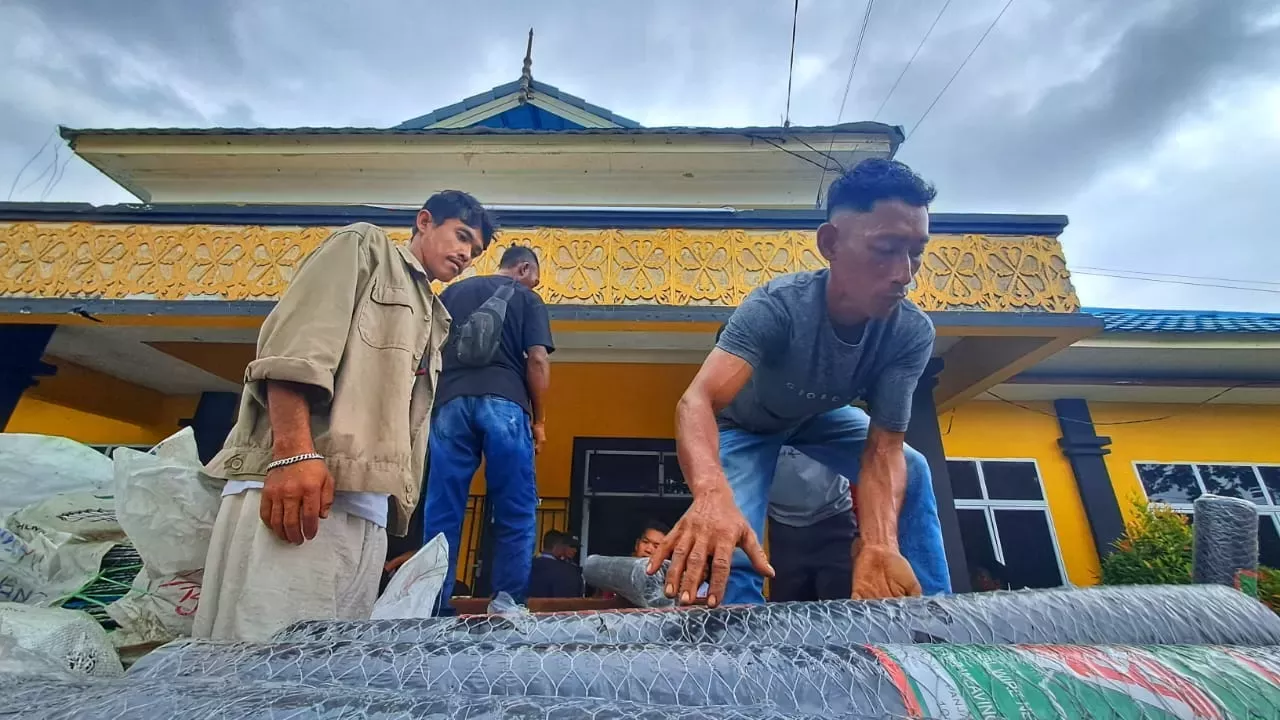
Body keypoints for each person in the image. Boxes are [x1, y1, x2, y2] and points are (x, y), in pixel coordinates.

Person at [649, 158, 950, 607]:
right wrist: (712, 495)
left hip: (818, 417)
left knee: (915, 467)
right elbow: (698, 400)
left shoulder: (910, 332)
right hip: (745, 425)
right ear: (830, 243)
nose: (904, 273)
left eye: (916, 252)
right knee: (727, 537)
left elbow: (883, 447)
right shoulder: (778, 307)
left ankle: (936, 622)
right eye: (886, 248)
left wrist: (878, 542)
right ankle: (731, 641)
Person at [195, 191, 496, 641]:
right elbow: (297, 348)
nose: (465, 256)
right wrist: (293, 453)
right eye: (461, 236)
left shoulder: (435, 314)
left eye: (474, 252)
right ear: (425, 221)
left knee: (321, 673)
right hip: (301, 496)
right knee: (259, 663)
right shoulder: (364, 246)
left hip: (364, 511)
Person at [421, 245, 555, 611]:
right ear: (524, 269)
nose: (535, 286)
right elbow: (538, 361)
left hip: (449, 405)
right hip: (506, 404)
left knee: (443, 509)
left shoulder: (451, 293)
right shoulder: (526, 298)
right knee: (515, 506)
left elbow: (424, 353)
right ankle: (507, 603)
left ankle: (434, 607)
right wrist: (539, 420)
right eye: (535, 279)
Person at [768, 446, 858, 602]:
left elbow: (866, 462)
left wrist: (863, 533)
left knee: (843, 611)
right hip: (782, 532)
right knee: (788, 616)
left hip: (836, 522)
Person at [527, 530, 584, 598]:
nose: (575, 550)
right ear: (558, 545)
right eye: (571, 546)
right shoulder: (570, 571)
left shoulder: (528, 564)